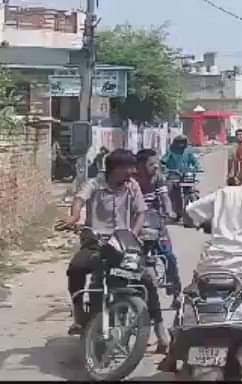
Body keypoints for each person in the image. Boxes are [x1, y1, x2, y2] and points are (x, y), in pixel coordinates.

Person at [159, 157, 242, 380]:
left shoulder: (224, 193)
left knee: (186, 303)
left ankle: (171, 355)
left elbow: (190, 214)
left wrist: (206, 223)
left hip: (211, 268)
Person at [63, 149, 167, 352]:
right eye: (128, 167)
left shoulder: (132, 186)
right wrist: (75, 217)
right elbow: (79, 199)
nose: (132, 171)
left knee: (146, 279)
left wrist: (133, 235)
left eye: (133, 167)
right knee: (76, 268)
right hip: (96, 242)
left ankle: (160, 329)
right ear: (115, 169)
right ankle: (78, 313)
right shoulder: (95, 184)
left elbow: (141, 213)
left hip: (123, 244)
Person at [134, 148, 182, 303]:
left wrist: (169, 211)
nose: (155, 167)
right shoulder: (131, 181)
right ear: (140, 166)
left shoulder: (158, 179)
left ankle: (176, 291)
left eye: (157, 163)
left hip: (156, 224)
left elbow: (164, 197)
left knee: (169, 257)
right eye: (151, 164)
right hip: (135, 225)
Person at [160, 134, 201, 218]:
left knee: (191, 189)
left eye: (183, 142)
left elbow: (195, 161)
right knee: (171, 191)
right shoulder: (171, 151)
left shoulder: (188, 151)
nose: (181, 144)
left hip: (186, 175)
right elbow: (163, 162)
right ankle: (171, 210)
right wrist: (166, 169)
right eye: (179, 142)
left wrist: (198, 167)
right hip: (174, 175)